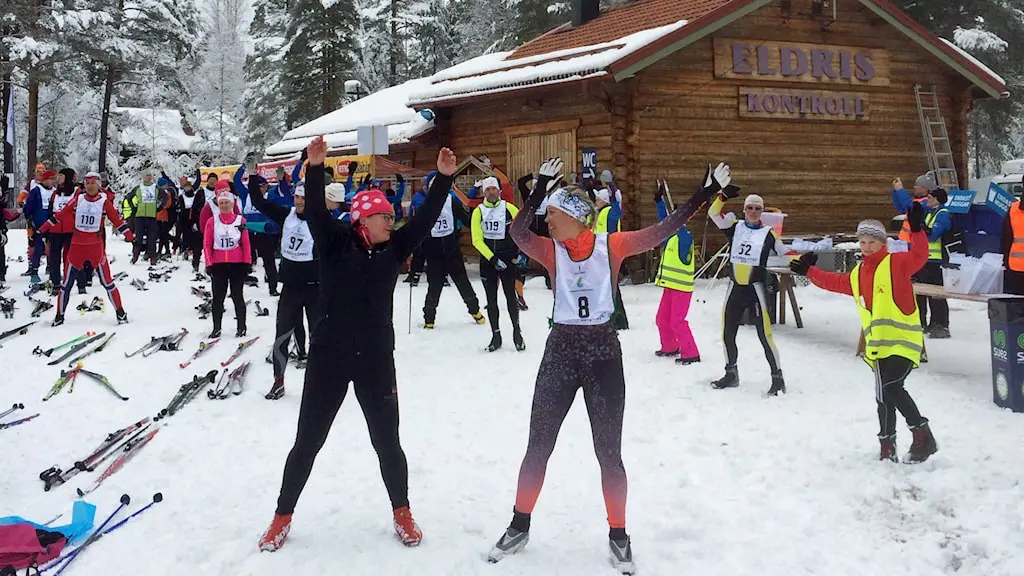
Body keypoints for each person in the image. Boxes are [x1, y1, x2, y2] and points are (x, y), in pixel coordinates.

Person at [488, 158, 731, 574]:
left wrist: (704, 194)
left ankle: (619, 534)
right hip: (561, 351)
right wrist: (539, 189)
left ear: (577, 219)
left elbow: (663, 230)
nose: (549, 222)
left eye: (555, 215)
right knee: (538, 446)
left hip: (602, 353)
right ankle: (519, 524)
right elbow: (517, 232)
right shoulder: (551, 250)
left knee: (609, 454)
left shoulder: (611, 245)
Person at [258, 137, 458, 552]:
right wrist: (315, 168)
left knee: (388, 442)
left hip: (375, 360)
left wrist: (442, 178)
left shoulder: (394, 248)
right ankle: (281, 516)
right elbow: (315, 211)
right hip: (328, 359)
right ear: (362, 219)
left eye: (391, 216)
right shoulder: (335, 243)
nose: (391, 222)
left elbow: (423, 220)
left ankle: (402, 511)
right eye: (384, 216)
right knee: (308, 441)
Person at [790, 212, 938, 463]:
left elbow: (920, 255)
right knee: (883, 396)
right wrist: (809, 271)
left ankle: (923, 435)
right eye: (863, 242)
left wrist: (916, 230)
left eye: (872, 242)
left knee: (892, 388)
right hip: (878, 346)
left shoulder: (897, 263)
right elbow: (836, 282)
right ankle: (887, 446)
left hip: (904, 342)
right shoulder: (859, 273)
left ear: (883, 243)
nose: (867, 247)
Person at [247, 175, 320, 400]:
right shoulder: (286, 215)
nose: (299, 202)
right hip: (290, 287)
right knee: (282, 336)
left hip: (315, 288)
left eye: (303, 198)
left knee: (319, 338)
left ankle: (319, 384)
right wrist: (252, 175)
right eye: (297, 197)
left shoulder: (321, 221)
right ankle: (278, 382)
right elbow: (259, 202)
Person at [707, 188, 786, 395]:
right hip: (735, 288)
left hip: (755, 289)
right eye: (749, 208)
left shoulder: (769, 233)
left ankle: (777, 378)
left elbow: (785, 253)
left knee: (765, 335)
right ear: (744, 210)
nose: (753, 212)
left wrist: (803, 261)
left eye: (757, 209)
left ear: (762, 211)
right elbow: (713, 213)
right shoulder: (735, 227)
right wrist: (722, 197)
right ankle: (731, 373)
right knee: (727, 332)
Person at [37, 172, 133, 326]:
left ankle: (120, 313)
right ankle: (59, 316)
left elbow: (116, 220)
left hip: (96, 249)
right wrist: (42, 229)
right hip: (77, 248)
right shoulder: (78, 199)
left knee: (107, 282)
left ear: (98, 185)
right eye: (87, 184)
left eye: (93, 183)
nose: (90, 186)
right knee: (66, 284)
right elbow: (60, 215)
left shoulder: (104, 201)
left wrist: (130, 236)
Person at [470, 176, 524, 352]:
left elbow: (522, 231)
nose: (491, 192)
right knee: (491, 300)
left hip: (507, 259)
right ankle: (496, 335)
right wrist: (493, 259)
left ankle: (517, 333)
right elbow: (476, 240)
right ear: (483, 192)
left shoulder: (509, 208)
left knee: (510, 297)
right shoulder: (478, 212)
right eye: (488, 189)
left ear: (499, 191)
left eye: (494, 189)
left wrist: (518, 253)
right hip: (489, 261)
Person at [420, 183, 484, 329]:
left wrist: (478, 223)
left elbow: (465, 218)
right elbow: (418, 227)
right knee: (434, 286)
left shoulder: (451, 201)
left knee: (462, 282)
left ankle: (475, 310)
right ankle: (429, 318)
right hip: (434, 253)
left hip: (452, 250)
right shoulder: (426, 205)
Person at [652, 180, 699, 364]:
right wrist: (659, 202)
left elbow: (679, 231)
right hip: (670, 286)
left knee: (677, 321)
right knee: (661, 319)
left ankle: (691, 353)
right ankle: (670, 346)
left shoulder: (685, 240)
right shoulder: (672, 236)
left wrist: (679, 218)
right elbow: (666, 223)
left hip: (682, 289)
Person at [203, 181, 252, 338]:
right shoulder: (212, 221)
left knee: (237, 296)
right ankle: (216, 328)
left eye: (227, 203)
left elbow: (246, 244)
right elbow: (207, 244)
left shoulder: (240, 221)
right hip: (218, 264)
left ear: (232, 204)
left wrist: (247, 262)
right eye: (221, 203)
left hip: (237, 264)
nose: (224, 206)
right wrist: (209, 263)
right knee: (218, 298)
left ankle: (241, 327)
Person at [235, 164, 281, 295]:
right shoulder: (246, 195)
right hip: (249, 233)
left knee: (269, 261)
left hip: (265, 234)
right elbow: (237, 180)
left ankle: (273, 287)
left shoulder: (270, 197)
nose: (263, 189)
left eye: (265, 186)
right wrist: (244, 166)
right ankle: (237, 287)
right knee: (242, 260)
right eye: (261, 186)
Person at [913, 188, 952, 338]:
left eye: (930, 198)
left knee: (936, 294)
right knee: (921, 292)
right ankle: (921, 322)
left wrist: (922, 229)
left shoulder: (943, 214)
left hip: (935, 260)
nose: (927, 200)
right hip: (924, 259)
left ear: (937, 199)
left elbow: (934, 235)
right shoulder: (930, 213)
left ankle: (940, 325)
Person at [46, 169, 79, 294]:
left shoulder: (77, 192)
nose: (58, 178)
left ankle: (73, 282)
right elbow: (50, 211)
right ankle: (56, 283)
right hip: (55, 230)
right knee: (54, 258)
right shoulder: (55, 194)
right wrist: (47, 231)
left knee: (71, 258)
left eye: (61, 176)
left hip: (71, 230)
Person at [23, 169, 57, 284]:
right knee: (37, 248)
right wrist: (29, 219)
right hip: (38, 225)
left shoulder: (55, 191)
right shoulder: (36, 190)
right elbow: (28, 207)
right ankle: (34, 271)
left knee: (52, 249)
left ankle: (53, 271)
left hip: (52, 225)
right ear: (45, 180)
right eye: (51, 179)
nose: (53, 181)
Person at [1001, 181, 1024, 295]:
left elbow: (1006, 238)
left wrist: (1005, 261)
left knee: (1017, 303)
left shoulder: (1013, 209)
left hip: (1015, 267)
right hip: (1015, 267)